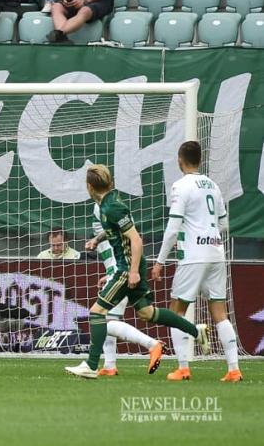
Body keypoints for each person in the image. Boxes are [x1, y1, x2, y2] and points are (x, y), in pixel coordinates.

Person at [65, 164, 209, 379]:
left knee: (97, 313)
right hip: (131, 264)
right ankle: (196, 331)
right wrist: (97, 239)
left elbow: (136, 239)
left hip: (127, 266)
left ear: (89, 186)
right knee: (147, 313)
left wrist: (132, 272)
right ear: (110, 183)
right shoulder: (109, 203)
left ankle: (92, 365)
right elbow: (118, 230)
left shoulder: (111, 206)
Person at [151, 141, 242, 382]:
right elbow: (223, 224)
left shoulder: (181, 186)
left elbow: (172, 229)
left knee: (176, 311)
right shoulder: (213, 186)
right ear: (200, 160)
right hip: (216, 253)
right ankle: (234, 369)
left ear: (180, 159)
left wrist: (160, 261)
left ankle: (183, 367)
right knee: (220, 312)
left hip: (193, 257)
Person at [85, 207, 166, 377]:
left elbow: (122, 238)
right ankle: (109, 365)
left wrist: (115, 272)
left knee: (103, 320)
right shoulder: (108, 206)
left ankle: (152, 344)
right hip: (117, 271)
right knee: (109, 320)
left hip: (121, 272)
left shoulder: (104, 206)